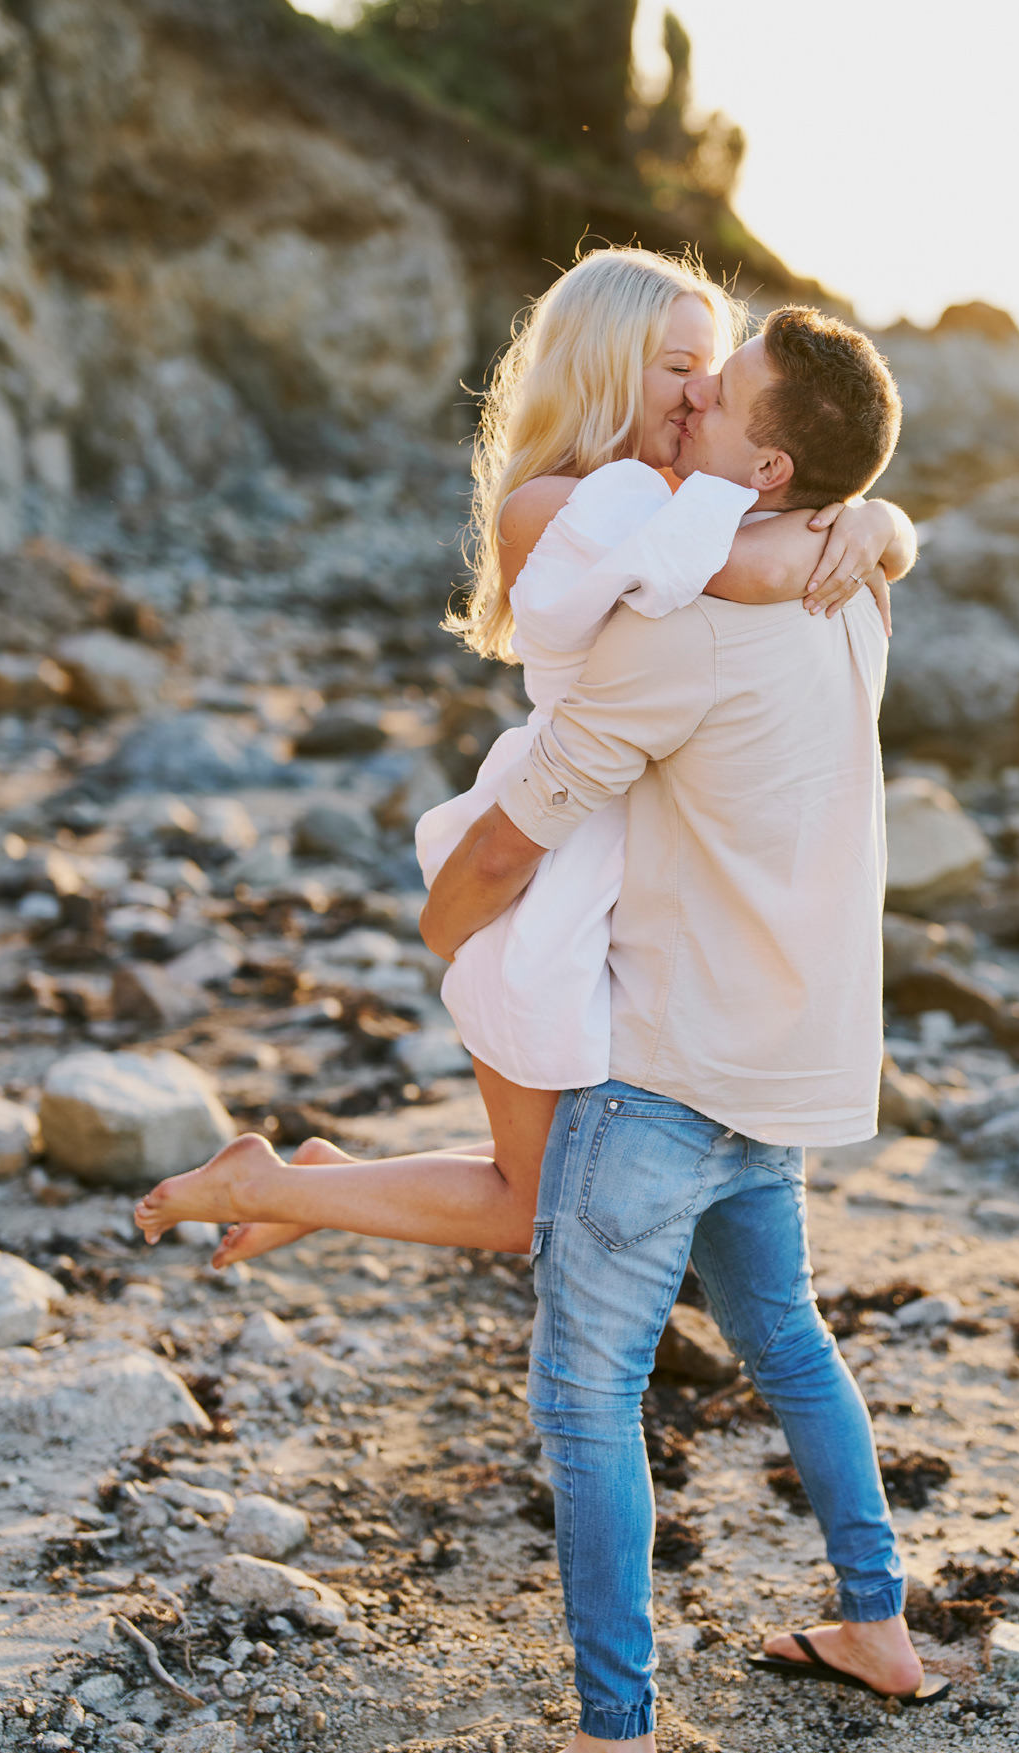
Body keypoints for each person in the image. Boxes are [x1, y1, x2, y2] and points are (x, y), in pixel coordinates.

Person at [426, 305, 947, 1753]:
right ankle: (877, 1624)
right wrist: (881, 522)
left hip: (665, 1063)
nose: (696, 396)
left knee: (585, 1392)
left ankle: (614, 1747)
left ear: (766, 457)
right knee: (785, 1338)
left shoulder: (690, 616)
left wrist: (444, 917)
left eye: (721, 393)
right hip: (787, 1052)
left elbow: (535, 811)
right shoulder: (850, 582)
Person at [132, 248, 912, 1265]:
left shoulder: (684, 490)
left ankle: (312, 1182)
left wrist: (874, 518)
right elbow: (755, 566)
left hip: (634, 846)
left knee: (565, 1171)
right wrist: (872, 523)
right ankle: (276, 1184)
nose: (707, 389)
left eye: (713, 366)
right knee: (529, 1203)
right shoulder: (563, 506)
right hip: (556, 842)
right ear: (605, 365)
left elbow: (760, 530)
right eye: (679, 365)